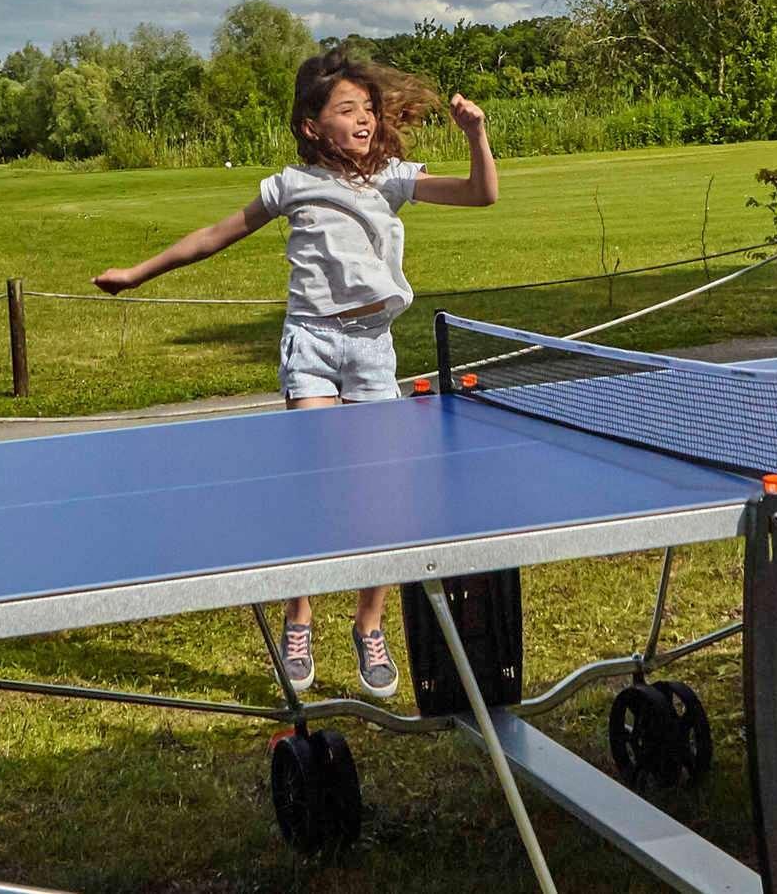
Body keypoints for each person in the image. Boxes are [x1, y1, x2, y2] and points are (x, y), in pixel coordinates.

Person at [94, 47, 501, 698]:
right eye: (347, 110)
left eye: (368, 108)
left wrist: (476, 135)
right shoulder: (290, 185)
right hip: (310, 343)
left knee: (381, 499)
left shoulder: (393, 178)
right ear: (312, 126)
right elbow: (212, 236)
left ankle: (369, 626)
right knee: (313, 485)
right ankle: (299, 615)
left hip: (372, 347)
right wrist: (137, 274)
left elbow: (482, 194)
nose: (364, 118)